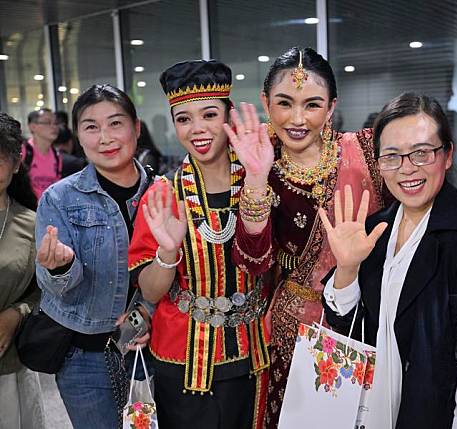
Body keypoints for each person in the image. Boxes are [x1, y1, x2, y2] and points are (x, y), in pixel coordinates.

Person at [319, 93, 457, 428]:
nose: (407, 169)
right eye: (392, 156)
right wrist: (347, 269)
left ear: (448, 155)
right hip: (365, 409)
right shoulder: (374, 229)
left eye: (422, 153)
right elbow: (346, 325)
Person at [224, 47, 383, 428]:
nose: (297, 119)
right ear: (266, 103)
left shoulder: (365, 152)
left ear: (330, 108)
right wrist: (258, 179)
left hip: (365, 321)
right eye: (284, 103)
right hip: (289, 332)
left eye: (312, 105)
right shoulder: (255, 157)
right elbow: (250, 261)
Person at [128, 60, 270, 429]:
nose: (197, 129)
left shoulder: (259, 178)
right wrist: (168, 251)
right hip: (184, 356)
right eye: (183, 119)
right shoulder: (163, 195)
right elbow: (150, 290)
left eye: (209, 114)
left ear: (229, 116)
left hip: (257, 350)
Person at [34, 84, 153, 428]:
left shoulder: (163, 191)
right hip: (84, 359)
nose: (105, 137)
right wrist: (62, 267)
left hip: (154, 351)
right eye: (91, 127)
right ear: (78, 136)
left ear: (137, 128)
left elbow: (178, 271)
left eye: (116, 123)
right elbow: (52, 286)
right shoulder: (58, 199)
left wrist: (146, 313)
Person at [0, 113, 44, 429]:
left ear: (17, 163)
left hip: (9, 367)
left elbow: (46, 289)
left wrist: (17, 313)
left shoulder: (32, 223)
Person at [24, 108, 62, 198]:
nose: (54, 127)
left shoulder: (57, 155)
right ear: (32, 126)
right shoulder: (24, 151)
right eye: (47, 122)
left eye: (56, 123)